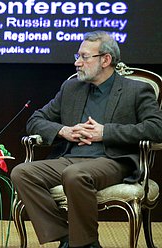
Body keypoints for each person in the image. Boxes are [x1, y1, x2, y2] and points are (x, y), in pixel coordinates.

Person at [10, 30, 162, 248]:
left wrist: (105, 132)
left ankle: (83, 243)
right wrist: (64, 131)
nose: (77, 63)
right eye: (77, 56)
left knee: (74, 175)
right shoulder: (72, 88)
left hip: (113, 161)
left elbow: (157, 128)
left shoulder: (136, 90)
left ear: (105, 60)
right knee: (22, 173)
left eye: (84, 57)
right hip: (71, 158)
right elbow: (36, 120)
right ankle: (69, 238)